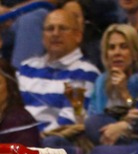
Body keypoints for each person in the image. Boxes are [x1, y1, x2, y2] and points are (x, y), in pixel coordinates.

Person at [17, 8, 102, 137]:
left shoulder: (86, 72)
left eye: (62, 28)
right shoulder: (26, 67)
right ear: (42, 36)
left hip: (51, 145)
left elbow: (70, 121)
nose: (55, 34)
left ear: (78, 36)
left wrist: (33, 139)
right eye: (50, 29)